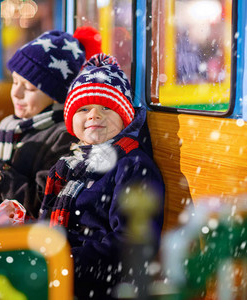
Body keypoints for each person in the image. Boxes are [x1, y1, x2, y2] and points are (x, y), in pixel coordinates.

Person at [39, 54, 165, 299]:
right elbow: (46, 225)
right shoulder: (66, 166)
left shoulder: (133, 166)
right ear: (71, 120)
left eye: (106, 107)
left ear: (124, 117)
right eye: (84, 108)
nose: (94, 115)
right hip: (64, 275)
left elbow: (132, 243)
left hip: (105, 287)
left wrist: (65, 263)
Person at [0, 28, 102, 227]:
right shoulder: (15, 127)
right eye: (14, 81)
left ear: (55, 95)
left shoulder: (64, 136)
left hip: (26, 240)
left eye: (29, 88)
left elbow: (37, 205)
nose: (16, 93)